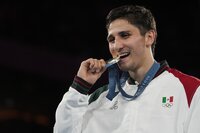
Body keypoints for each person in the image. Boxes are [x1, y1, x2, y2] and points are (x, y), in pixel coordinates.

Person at [53, 5, 200, 133]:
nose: (116, 46)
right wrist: (80, 87)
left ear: (149, 37)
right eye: (112, 40)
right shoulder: (100, 98)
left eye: (125, 35)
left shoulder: (190, 90)